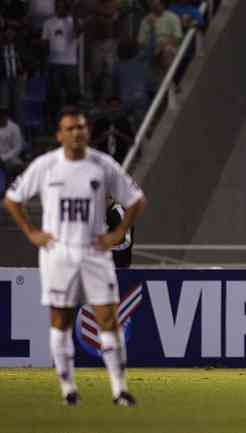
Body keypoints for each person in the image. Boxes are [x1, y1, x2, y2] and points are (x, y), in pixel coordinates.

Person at [3, 106, 146, 406]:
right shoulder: (45, 166)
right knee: (61, 320)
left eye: (81, 127)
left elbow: (136, 199)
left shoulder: (103, 165)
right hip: (59, 253)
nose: (77, 132)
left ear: (87, 132)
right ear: (60, 135)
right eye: (70, 128)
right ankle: (68, 388)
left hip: (94, 254)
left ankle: (119, 388)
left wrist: (118, 234)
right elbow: (13, 199)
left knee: (108, 319)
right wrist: (31, 232)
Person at [41, 0, 84, 126]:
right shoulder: (48, 23)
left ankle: (73, 120)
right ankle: (54, 122)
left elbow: (77, 32)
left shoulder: (74, 21)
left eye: (61, 5)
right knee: (54, 94)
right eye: (56, 6)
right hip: (54, 62)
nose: (58, 8)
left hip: (70, 63)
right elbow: (44, 43)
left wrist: (74, 14)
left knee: (73, 94)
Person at [91, 96, 134, 164]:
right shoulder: (99, 123)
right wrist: (105, 135)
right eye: (112, 106)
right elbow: (93, 142)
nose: (114, 109)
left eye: (117, 106)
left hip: (121, 157)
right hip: (103, 157)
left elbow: (131, 141)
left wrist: (119, 133)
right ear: (107, 107)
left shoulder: (124, 122)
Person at [106, 195, 134, 268]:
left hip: (120, 264)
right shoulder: (104, 212)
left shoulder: (118, 212)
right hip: (107, 264)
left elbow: (126, 241)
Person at [0, 107, 25, 180]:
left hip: (10, 158)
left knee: (18, 167)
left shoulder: (14, 128)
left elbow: (18, 147)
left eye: (2, 117)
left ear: (6, 117)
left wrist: (4, 157)